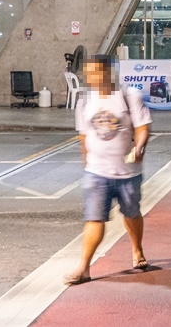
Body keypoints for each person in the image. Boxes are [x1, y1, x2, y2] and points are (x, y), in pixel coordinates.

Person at [64, 56, 152, 285]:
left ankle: (137, 250)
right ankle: (83, 268)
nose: (91, 78)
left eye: (96, 73)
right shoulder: (85, 101)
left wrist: (140, 147)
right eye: (89, 73)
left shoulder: (128, 95)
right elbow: (83, 136)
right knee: (94, 219)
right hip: (96, 173)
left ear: (108, 72)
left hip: (127, 173)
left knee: (131, 213)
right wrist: (87, 162)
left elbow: (143, 127)